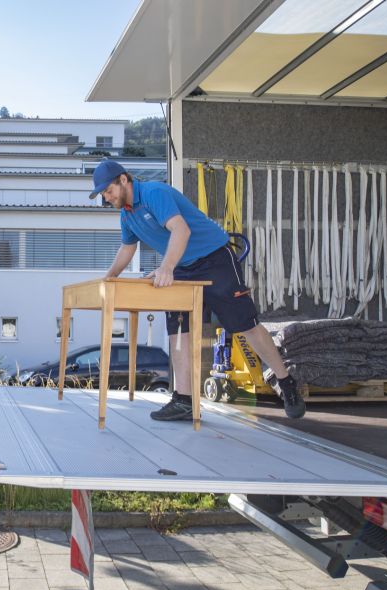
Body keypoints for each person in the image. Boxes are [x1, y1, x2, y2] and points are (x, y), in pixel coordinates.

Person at [92, 160, 305, 421]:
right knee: (178, 330)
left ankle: (286, 382)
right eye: (103, 194)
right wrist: (109, 279)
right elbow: (128, 248)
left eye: (108, 190)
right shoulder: (127, 215)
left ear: (124, 180)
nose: (106, 197)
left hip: (214, 260)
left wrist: (166, 267)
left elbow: (180, 229)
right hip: (182, 267)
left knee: (245, 324)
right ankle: (184, 400)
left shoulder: (153, 193)